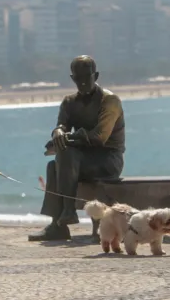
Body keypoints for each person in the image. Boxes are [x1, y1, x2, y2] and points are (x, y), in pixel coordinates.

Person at [28, 55, 125, 241]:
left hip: (107, 159)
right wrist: (57, 132)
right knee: (53, 165)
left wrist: (68, 139)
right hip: (79, 160)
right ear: (72, 78)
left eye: (86, 78)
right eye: (78, 78)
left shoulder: (109, 100)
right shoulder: (69, 102)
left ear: (95, 76)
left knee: (66, 155)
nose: (82, 83)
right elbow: (62, 125)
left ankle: (68, 211)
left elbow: (99, 137)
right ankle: (58, 224)